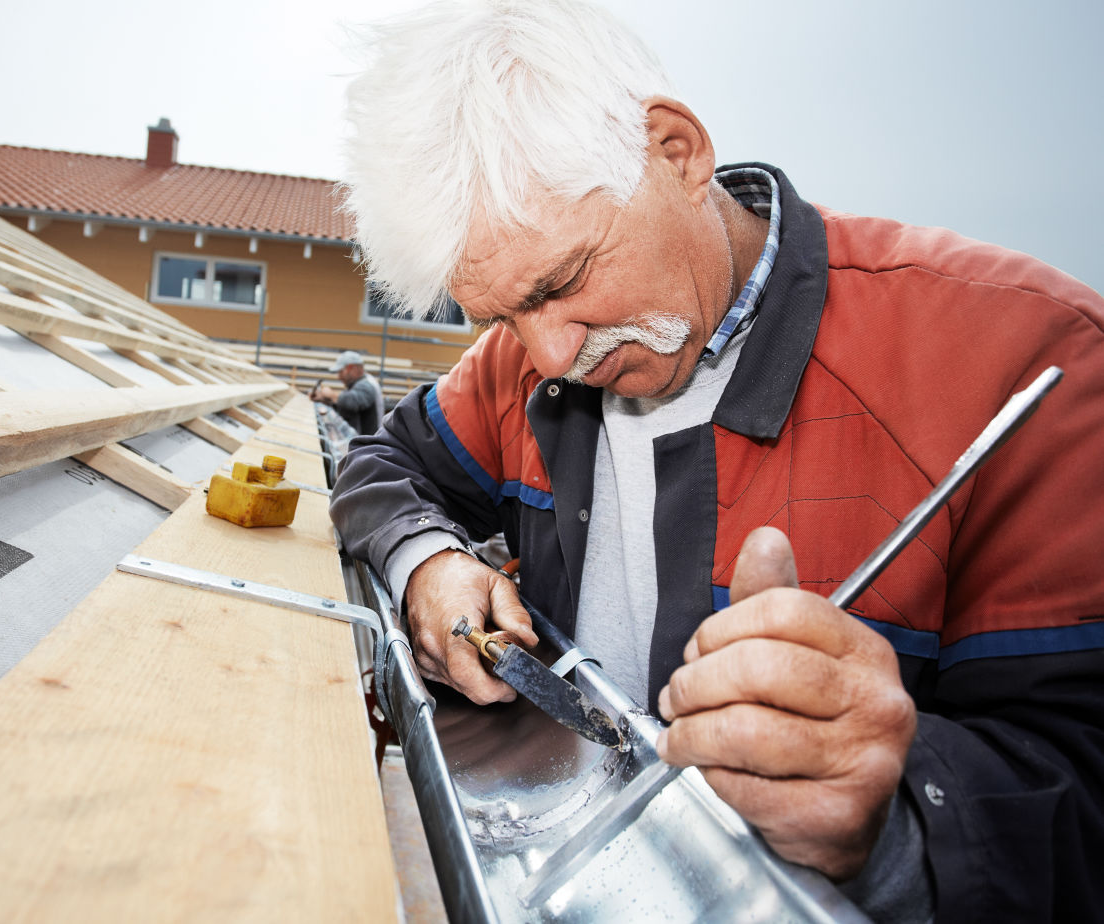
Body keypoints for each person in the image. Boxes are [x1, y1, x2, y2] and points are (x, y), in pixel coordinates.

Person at [328, 1, 1104, 921]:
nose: (545, 356)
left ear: (675, 152)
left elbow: (1080, 784)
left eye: (564, 282)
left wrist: (897, 824)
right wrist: (427, 563)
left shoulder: (1024, 360)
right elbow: (380, 463)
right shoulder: (523, 363)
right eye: (501, 316)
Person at [313, 350, 385, 435]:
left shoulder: (367, 385)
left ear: (351, 368)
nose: (339, 377)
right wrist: (324, 400)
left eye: (341, 372)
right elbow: (347, 409)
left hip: (368, 443)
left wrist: (331, 395)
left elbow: (353, 402)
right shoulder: (359, 383)